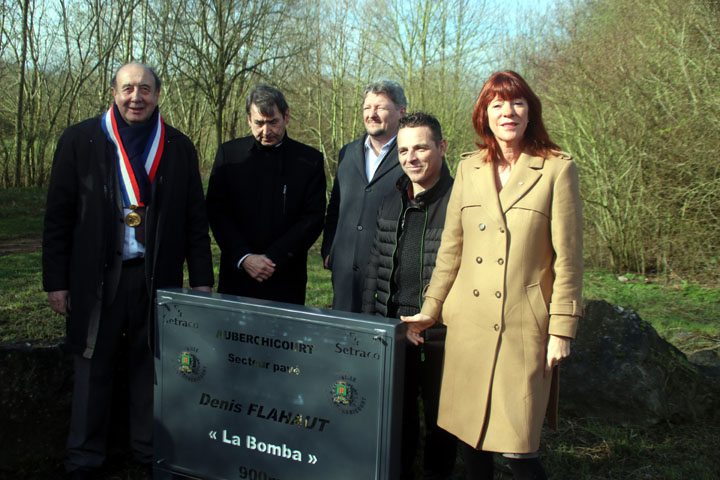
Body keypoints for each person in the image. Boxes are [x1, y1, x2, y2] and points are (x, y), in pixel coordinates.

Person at [402, 70, 583, 480]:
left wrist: (562, 328)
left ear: (529, 111)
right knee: (470, 440)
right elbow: (451, 250)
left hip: (523, 328)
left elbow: (568, 259)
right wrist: (430, 310)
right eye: (497, 104)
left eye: (516, 102)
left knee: (520, 449)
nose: (507, 112)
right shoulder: (470, 168)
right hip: (469, 328)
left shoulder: (556, 169)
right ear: (484, 113)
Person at [42, 62, 214, 479]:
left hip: (156, 276)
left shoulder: (177, 145)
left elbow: (194, 218)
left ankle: (150, 452)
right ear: (113, 92)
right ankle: (83, 458)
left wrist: (202, 280)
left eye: (145, 89)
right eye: (127, 89)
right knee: (91, 364)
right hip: (95, 278)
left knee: (152, 367)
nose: (136, 97)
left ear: (158, 94)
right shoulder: (81, 139)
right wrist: (56, 282)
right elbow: (58, 216)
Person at [362, 112, 457, 480]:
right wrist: (375, 323)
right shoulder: (390, 200)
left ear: (442, 147)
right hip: (394, 332)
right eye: (403, 150)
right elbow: (376, 268)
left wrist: (432, 318)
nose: (411, 157)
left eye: (421, 147)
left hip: (440, 335)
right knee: (396, 420)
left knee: (440, 422)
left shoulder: (459, 202)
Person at [206, 85, 325, 305]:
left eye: (273, 122)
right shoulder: (229, 155)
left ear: (286, 116)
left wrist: (274, 258)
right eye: (259, 123)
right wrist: (244, 257)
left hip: (285, 275)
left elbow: (313, 217)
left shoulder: (310, 161)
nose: (266, 131)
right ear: (249, 120)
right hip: (238, 273)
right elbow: (217, 211)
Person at [322, 80, 407, 312]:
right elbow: (336, 206)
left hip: (389, 278)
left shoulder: (411, 157)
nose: (372, 114)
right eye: (367, 108)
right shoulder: (347, 153)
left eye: (380, 107)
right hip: (345, 274)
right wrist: (330, 247)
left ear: (401, 111)